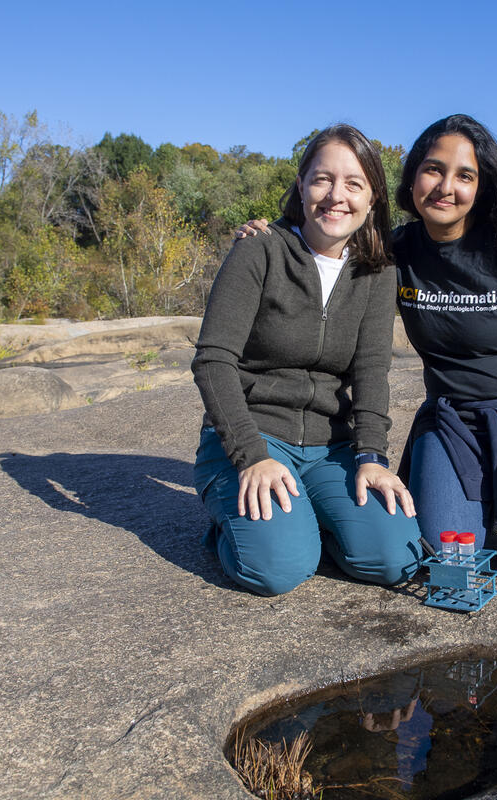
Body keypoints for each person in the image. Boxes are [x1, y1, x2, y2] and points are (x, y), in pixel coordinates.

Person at [236, 114, 497, 585]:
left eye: (465, 175)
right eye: (433, 169)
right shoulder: (395, 253)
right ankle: (486, 502)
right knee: (441, 555)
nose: (445, 187)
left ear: (482, 186)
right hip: (452, 422)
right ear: (413, 175)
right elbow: (326, 233)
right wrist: (269, 233)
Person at [192, 124, 422, 597]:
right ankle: (237, 528)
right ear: (301, 185)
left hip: (330, 448)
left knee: (397, 558)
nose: (336, 196)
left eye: (354, 184)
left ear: (373, 197)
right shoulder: (259, 250)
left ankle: (306, 521)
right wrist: (250, 456)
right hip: (255, 438)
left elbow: (371, 371)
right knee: (277, 568)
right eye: (322, 179)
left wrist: (372, 456)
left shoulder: (377, 272)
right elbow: (212, 360)